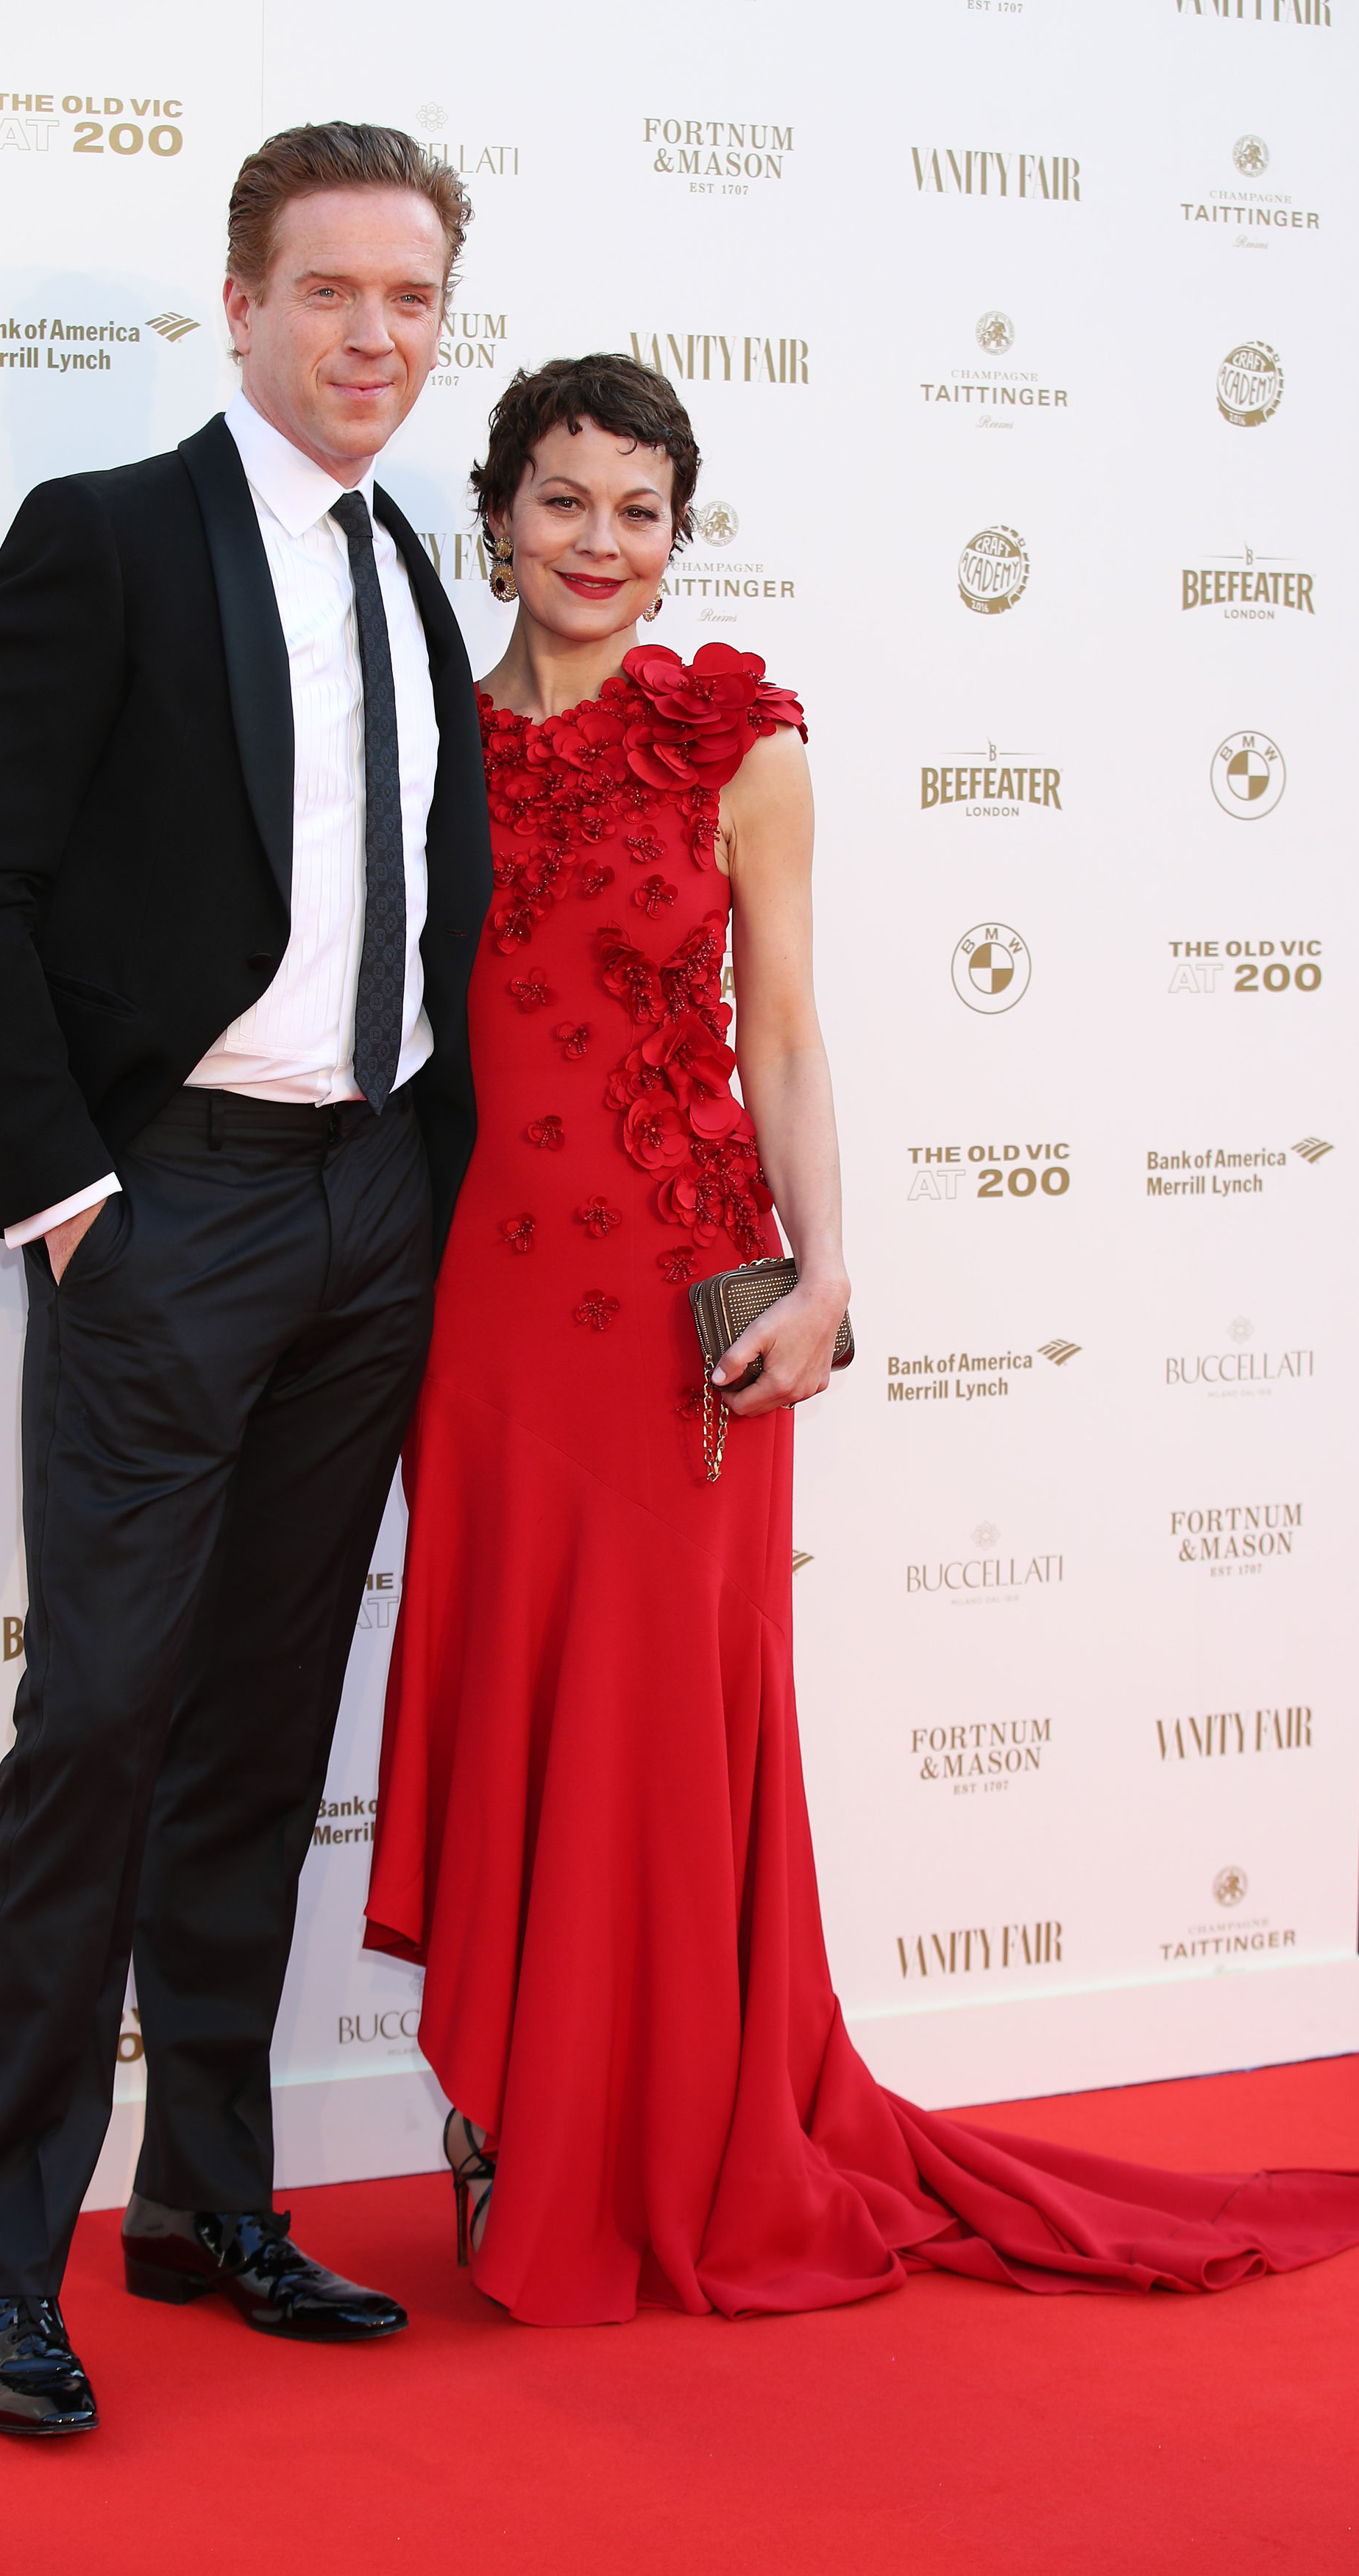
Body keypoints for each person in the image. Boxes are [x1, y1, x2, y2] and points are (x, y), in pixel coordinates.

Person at [363, 354, 1359, 2326]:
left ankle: (659, 2126)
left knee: (660, 1714)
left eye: (637, 509)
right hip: (477, 1304)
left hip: (681, 1308)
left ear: (675, 533)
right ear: (493, 515)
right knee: (519, 1690)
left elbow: (789, 1035)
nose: (598, 543)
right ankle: (519, 2114)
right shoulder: (413, 742)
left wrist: (825, 1278)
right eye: (562, 500)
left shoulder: (740, 740)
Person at [0, 122, 492, 2434]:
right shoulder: (113, 537)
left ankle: (205, 2200)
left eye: (412, 302)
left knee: (253, 1733)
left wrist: (418, 1189)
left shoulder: (410, 568)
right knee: (101, 1731)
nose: (371, 337)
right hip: (176, 1208)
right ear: (237, 303)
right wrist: (70, 1193)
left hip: (367, 1211)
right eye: (331, 292)